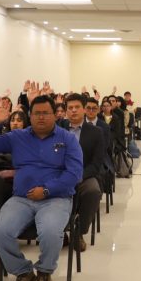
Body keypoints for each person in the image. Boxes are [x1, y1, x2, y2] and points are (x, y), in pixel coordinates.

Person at [0, 95, 83, 281]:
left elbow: (74, 174)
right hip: (22, 199)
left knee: (50, 232)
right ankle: (23, 272)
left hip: (56, 198)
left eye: (46, 113)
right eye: (36, 113)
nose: (41, 117)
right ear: (30, 116)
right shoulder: (18, 137)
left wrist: (47, 190)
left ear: (55, 115)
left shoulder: (68, 139)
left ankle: (44, 272)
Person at [59, 94, 105, 252]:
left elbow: (96, 163)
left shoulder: (96, 132)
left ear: (84, 109)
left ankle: (78, 232)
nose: (73, 111)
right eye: (70, 108)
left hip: (84, 175)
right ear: (66, 111)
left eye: (77, 107)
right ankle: (59, 232)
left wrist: (78, 177)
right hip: (60, 174)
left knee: (93, 191)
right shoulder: (58, 129)